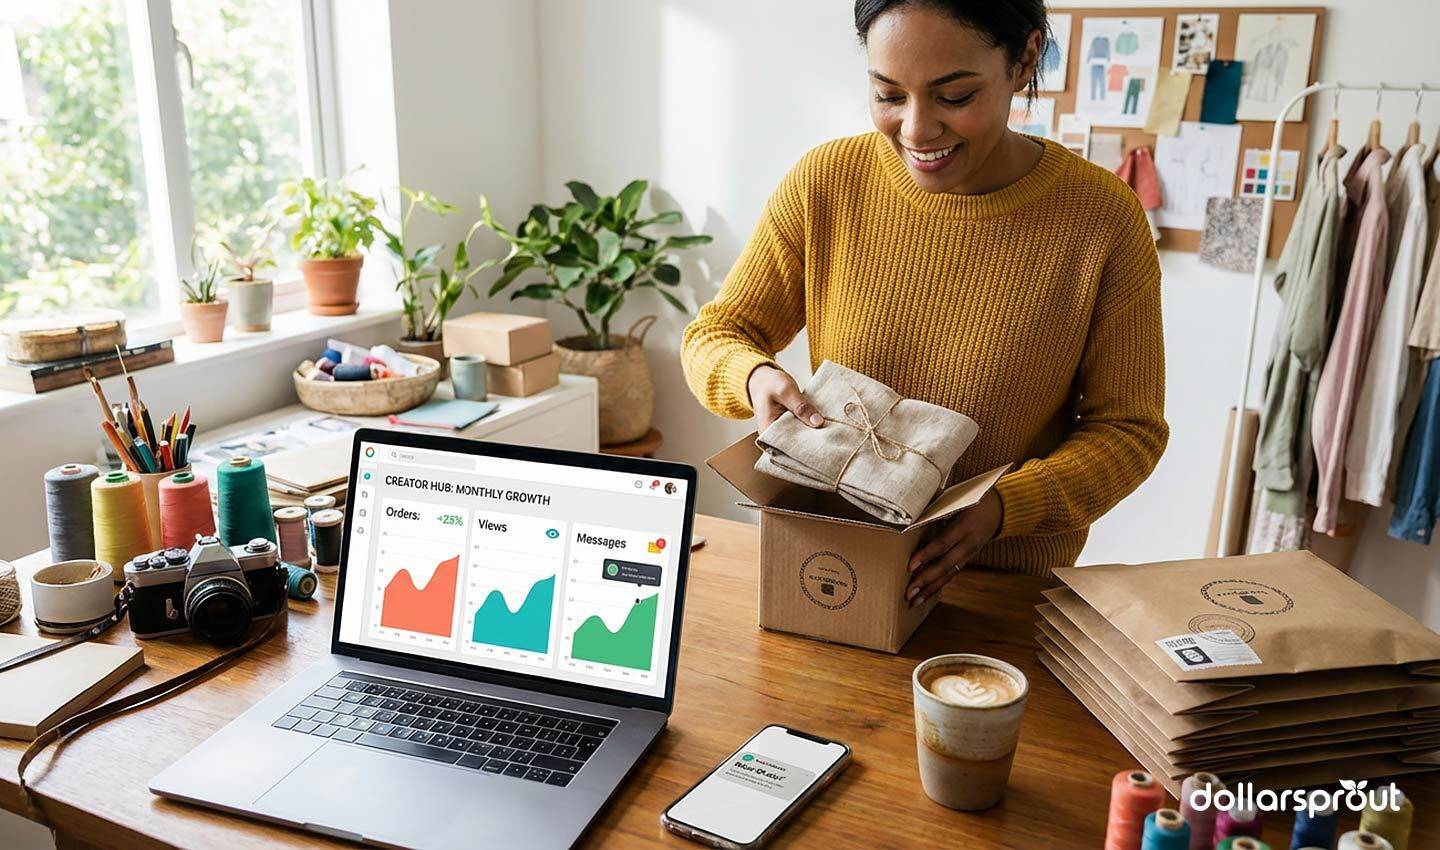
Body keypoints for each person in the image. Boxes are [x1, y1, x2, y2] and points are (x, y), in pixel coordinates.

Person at [680, 0, 1168, 607]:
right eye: (888, 95)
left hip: (1000, 596)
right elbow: (717, 334)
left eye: (954, 97)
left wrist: (1004, 508)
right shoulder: (828, 182)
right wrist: (752, 376)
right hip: (831, 569)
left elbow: (1129, 433)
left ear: (1024, 59)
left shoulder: (1101, 218)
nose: (916, 129)